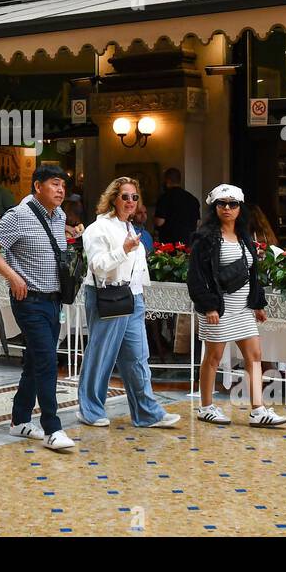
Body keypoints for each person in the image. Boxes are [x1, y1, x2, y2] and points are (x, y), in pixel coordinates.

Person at [0, 164, 78, 453]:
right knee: (47, 361)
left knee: (36, 362)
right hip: (29, 301)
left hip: (54, 299)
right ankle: (52, 428)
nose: (60, 190)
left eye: (63, 185)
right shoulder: (19, 215)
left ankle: (19, 420)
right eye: (55, 184)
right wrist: (12, 276)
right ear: (37, 186)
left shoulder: (59, 216)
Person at [80, 177, 180, 429]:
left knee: (137, 356)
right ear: (113, 198)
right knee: (101, 355)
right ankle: (90, 410)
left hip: (132, 297)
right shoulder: (98, 228)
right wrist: (123, 250)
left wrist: (141, 293)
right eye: (125, 196)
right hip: (107, 295)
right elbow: (97, 266)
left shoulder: (130, 228)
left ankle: (147, 413)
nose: (130, 201)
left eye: (134, 197)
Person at [188, 184, 286, 428]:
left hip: (243, 308)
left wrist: (258, 303)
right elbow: (196, 277)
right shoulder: (205, 238)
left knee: (255, 355)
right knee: (213, 357)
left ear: (240, 208)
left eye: (233, 204)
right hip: (218, 309)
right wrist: (209, 306)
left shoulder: (245, 236)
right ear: (214, 207)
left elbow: (252, 274)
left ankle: (258, 410)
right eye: (222, 204)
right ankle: (206, 407)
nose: (227, 208)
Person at [154, 168, 200, 246]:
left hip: (169, 244)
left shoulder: (164, 198)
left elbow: (159, 222)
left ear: (167, 180)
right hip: (188, 242)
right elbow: (198, 223)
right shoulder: (192, 199)